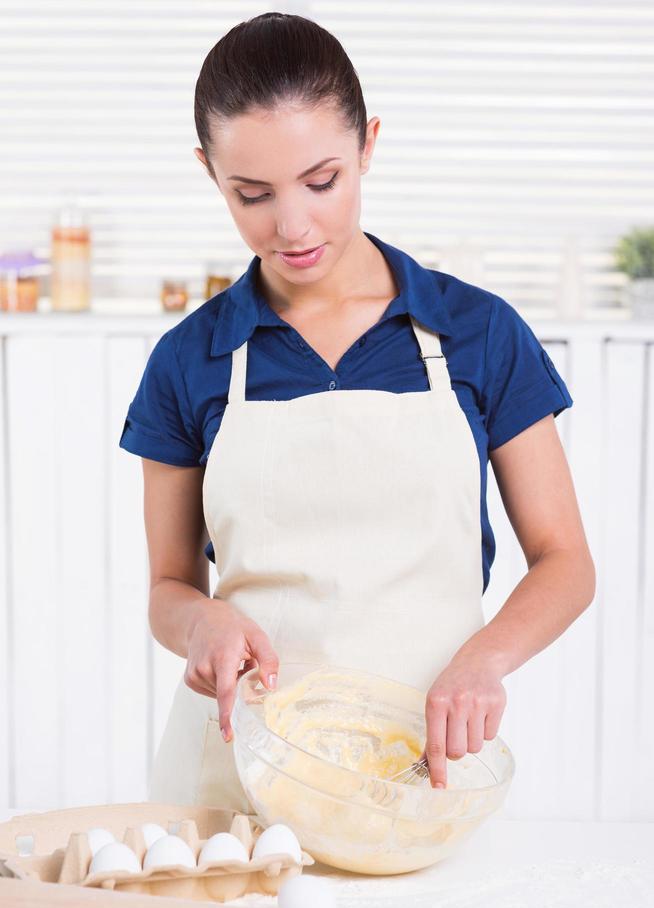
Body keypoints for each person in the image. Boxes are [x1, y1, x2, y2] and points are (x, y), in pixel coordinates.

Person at [119, 12, 595, 812]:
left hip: (417, 774)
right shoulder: (188, 361)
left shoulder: (477, 334)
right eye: (253, 194)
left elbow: (565, 562)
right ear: (210, 172)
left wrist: (485, 660)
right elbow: (169, 583)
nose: (293, 224)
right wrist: (199, 623)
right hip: (234, 785)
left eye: (322, 180)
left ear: (368, 144)